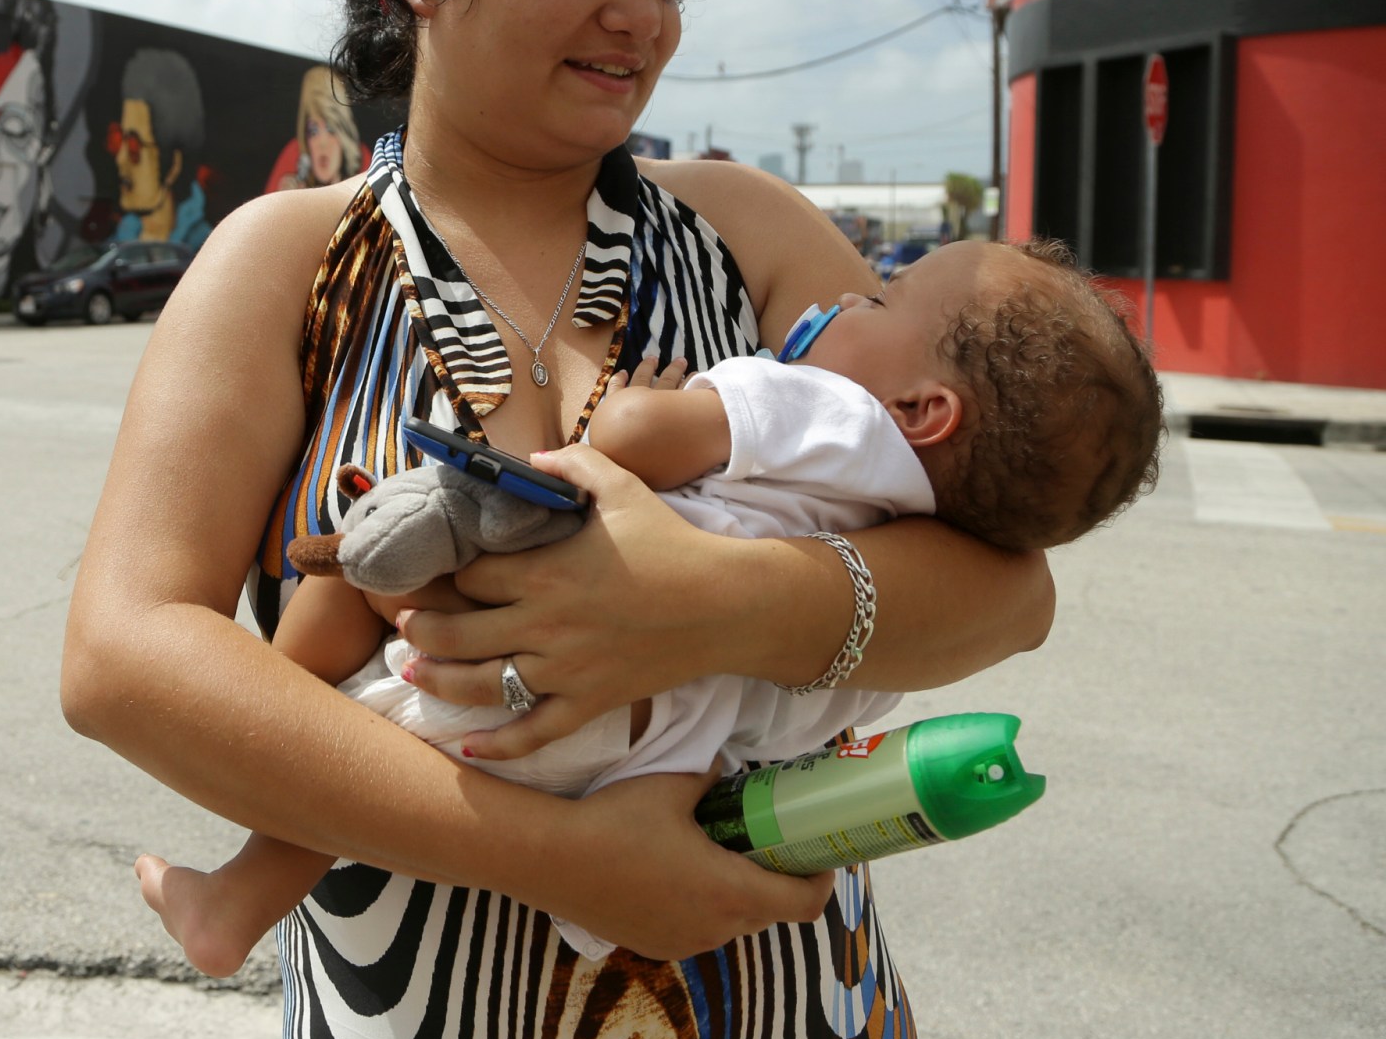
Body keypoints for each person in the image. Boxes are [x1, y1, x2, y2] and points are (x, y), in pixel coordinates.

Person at [63, 0, 1056, 1039]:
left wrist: (710, 604)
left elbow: (1009, 591)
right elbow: (121, 658)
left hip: (789, 1008)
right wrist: (558, 859)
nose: (641, 16)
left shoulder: (748, 234)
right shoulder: (287, 262)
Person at [133, 235, 1163, 973]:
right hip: (647, 758)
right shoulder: (909, 511)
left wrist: (670, 398)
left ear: (924, 410)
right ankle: (236, 897)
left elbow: (626, 434)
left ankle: (273, 762)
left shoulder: (822, 403)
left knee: (367, 561)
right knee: (396, 710)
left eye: (884, 298)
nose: (850, 298)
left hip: (541, 690)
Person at [110, 48, 212, 247]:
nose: (120, 159)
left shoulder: (205, 249)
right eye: (117, 140)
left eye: (133, 146)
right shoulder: (118, 244)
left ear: (173, 165)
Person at [270, 64, 367, 190]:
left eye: (331, 129)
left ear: (343, 131)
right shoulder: (293, 154)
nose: (322, 143)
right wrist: (282, 201)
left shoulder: (364, 161)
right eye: (313, 131)